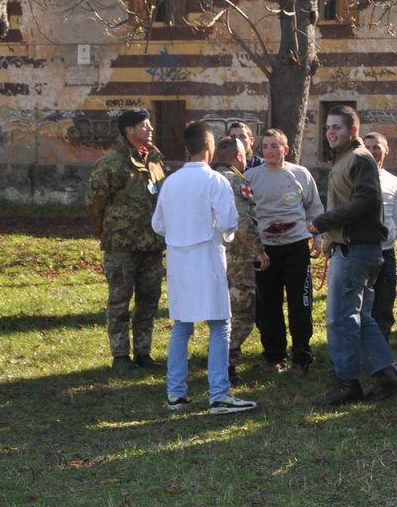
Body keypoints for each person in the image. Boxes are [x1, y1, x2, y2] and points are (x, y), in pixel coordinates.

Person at [149, 122, 257, 415]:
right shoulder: (215, 181)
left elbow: (157, 224)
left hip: (179, 263)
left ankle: (176, 394)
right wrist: (223, 236)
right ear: (209, 145)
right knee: (220, 325)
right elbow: (228, 223)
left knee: (182, 327)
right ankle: (220, 394)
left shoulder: (171, 181)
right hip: (208, 260)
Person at [308, 108, 397, 406]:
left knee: (341, 319)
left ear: (353, 130)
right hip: (353, 248)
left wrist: (324, 222)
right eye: (327, 127)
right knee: (361, 317)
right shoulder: (344, 158)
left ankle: (347, 384)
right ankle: (390, 376)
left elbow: (367, 200)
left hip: (357, 250)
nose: (330, 132)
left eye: (337, 127)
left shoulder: (360, 157)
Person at [84, 109, 167, 374]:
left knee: (148, 300)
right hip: (121, 246)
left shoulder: (154, 161)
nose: (150, 128)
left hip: (151, 245)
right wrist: (106, 232)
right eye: (144, 125)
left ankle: (143, 352)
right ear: (129, 130)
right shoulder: (111, 163)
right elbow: (94, 203)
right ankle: (120, 355)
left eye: (150, 123)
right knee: (119, 302)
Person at [245, 128, 322, 373]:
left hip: (296, 247)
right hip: (265, 250)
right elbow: (245, 214)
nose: (270, 151)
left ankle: (301, 357)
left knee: (300, 304)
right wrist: (253, 247)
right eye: (265, 146)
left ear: (285, 149)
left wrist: (317, 237)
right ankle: (274, 356)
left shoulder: (301, 174)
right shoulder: (251, 177)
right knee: (269, 306)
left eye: (275, 146)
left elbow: (314, 209)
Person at [211, 133, 270, 376]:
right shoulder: (235, 182)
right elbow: (244, 222)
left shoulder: (210, 179)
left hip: (212, 256)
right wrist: (259, 251)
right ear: (238, 157)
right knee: (242, 311)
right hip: (236, 257)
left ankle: (218, 357)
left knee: (219, 310)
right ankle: (226, 362)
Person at [363, 131, 397, 340]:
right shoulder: (352, 176)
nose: (372, 152)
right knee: (361, 306)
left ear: (386, 150)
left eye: (377, 147)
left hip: (386, 254)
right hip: (361, 252)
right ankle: (359, 351)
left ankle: (381, 352)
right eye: (368, 148)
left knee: (384, 305)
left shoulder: (393, 181)